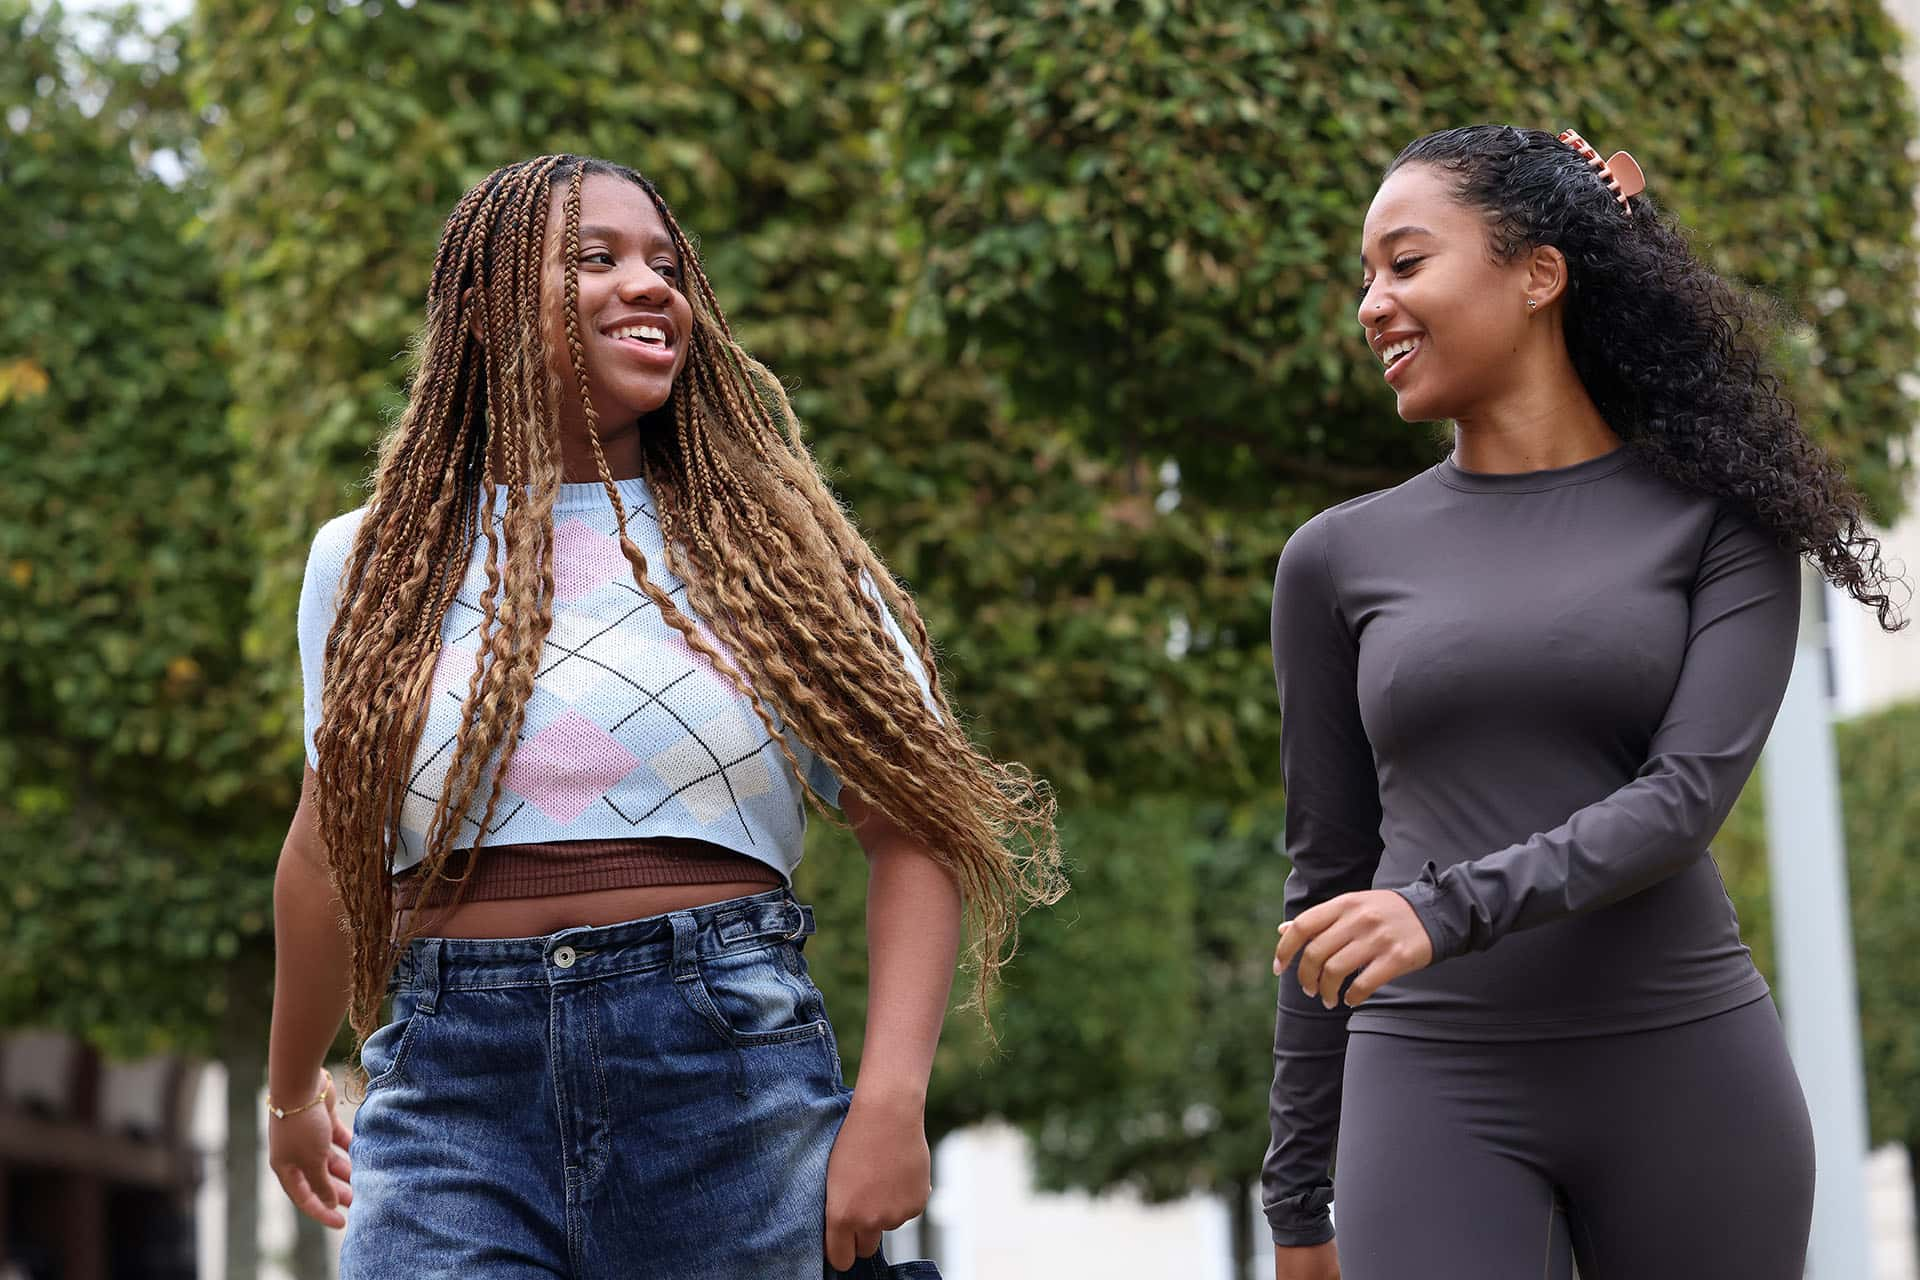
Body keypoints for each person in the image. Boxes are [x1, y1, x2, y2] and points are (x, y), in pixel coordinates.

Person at [265, 154, 1062, 1279]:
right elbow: (323, 840)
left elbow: (913, 824)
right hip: (449, 1087)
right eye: (596, 258)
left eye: (666, 264)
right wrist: (292, 1086)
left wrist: (891, 1103)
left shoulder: (777, 553)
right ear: (485, 307)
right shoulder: (365, 563)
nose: (651, 285)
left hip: (726, 1070)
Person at [1264, 124, 1906, 1280]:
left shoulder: (1722, 520)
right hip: (1430, 1073)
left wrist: (1438, 910)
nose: (1372, 304)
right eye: (1365, 276)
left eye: (1405, 263)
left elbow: (1682, 800)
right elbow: (1328, 876)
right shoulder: (1336, 558)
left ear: (1539, 273)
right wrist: (1297, 1190)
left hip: (1684, 1068)